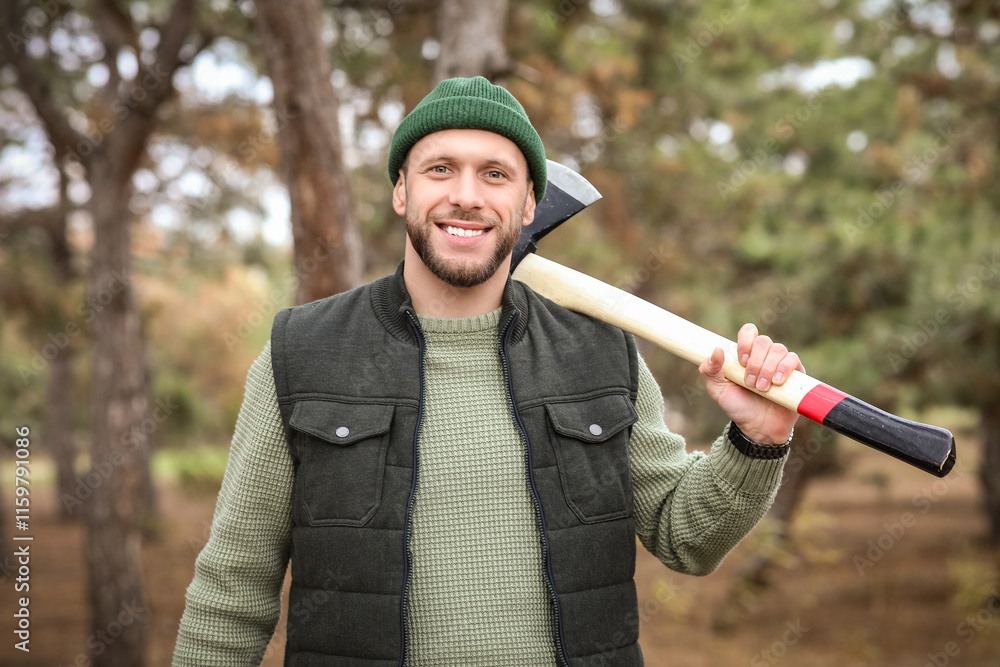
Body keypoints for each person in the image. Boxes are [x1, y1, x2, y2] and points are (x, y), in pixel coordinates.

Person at [172, 76, 802, 666]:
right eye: (440, 169)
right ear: (401, 190)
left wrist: (758, 440)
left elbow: (684, 536)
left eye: (495, 174)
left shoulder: (601, 355)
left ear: (529, 202)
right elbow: (233, 591)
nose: (467, 196)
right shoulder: (302, 354)